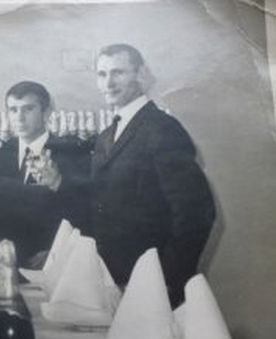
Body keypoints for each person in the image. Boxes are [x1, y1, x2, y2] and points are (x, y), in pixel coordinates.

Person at [91, 44, 215, 307]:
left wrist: (166, 277)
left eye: (118, 73)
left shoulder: (163, 128)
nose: (108, 83)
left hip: (154, 287)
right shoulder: (106, 136)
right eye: (102, 74)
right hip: (114, 281)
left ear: (140, 75)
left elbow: (197, 212)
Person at [0, 81, 91, 266]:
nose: (19, 117)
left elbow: (85, 216)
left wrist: (58, 254)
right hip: (2, 265)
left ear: (47, 112)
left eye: (28, 109)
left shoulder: (72, 155)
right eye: (13, 110)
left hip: (53, 266)